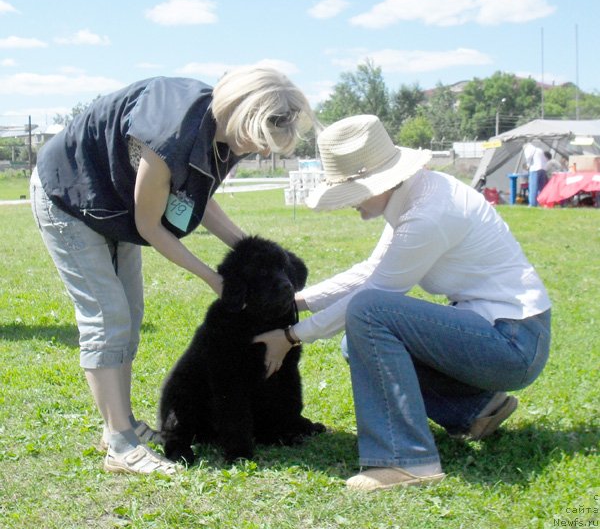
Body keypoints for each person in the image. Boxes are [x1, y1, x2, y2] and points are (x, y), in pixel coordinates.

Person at [30, 66, 315, 475]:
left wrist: (255, 253)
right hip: (71, 196)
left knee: (129, 315)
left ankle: (121, 425)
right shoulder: (172, 135)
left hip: (116, 207)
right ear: (241, 112)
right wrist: (215, 279)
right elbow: (151, 226)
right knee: (108, 316)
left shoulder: (227, 137)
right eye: (260, 140)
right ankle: (120, 443)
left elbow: (197, 199)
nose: (262, 152)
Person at [255, 115, 551, 491]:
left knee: (369, 312)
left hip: (514, 342)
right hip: (504, 333)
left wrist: (291, 335)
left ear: (379, 180)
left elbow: (372, 297)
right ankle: (476, 410)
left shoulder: (427, 214)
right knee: (356, 339)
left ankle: (405, 461)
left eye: (351, 192)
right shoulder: (416, 195)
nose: (349, 204)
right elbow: (369, 271)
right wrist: (295, 302)